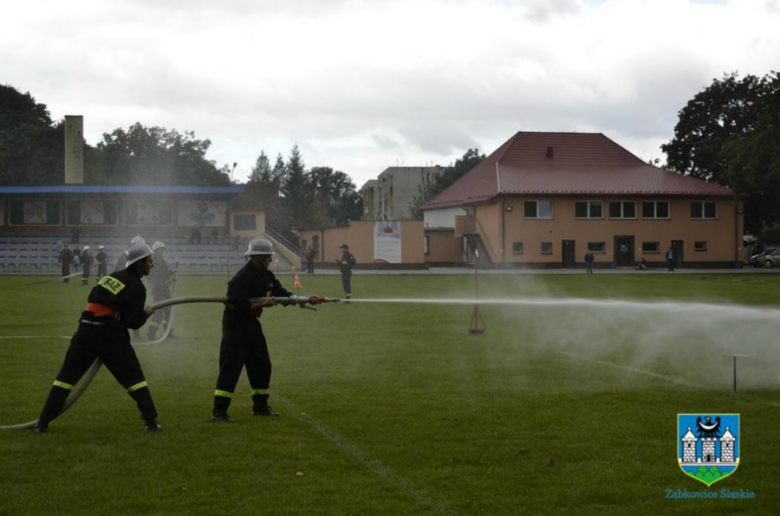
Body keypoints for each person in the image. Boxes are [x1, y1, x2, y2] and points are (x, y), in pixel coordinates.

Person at [33, 243, 161, 433]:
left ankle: (42, 423)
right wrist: (147, 313)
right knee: (134, 379)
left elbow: (94, 299)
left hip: (85, 331)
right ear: (140, 263)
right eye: (149, 261)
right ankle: (151, 422)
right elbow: (132, 322)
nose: (152, 264)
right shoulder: (137, 287)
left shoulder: (109, 278)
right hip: (110, 335)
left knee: (65, 379)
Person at [212, 237, 325, 422]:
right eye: (268, 258)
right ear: (258, 258)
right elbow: (233, 304)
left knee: (262, 365)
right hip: (236, 327)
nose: (271, 260)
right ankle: (219, 411)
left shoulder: (266, 275)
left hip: (252, 326)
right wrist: (258, 304)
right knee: (231, 367)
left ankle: (260, 406)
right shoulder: (242, 278)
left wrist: (304, 299)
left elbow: (281, 294)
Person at [147, 241, 175, 340]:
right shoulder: (155, 262)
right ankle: (151, 334)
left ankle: (168, 333)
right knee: (158, 311)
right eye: (160, 250)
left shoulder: (161, 261)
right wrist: (170, 273)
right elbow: (160, 275)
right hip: (159, 290)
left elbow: (165, 275)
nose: (162, 252)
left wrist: (171, 274)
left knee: (168, 311)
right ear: (156, 251)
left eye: (162, 250)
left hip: (164, 289)